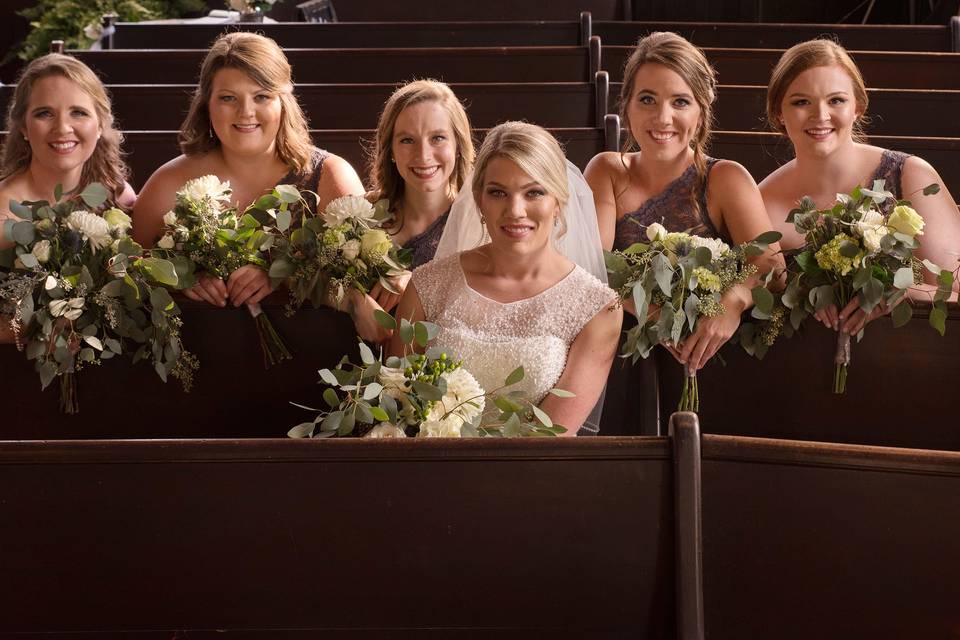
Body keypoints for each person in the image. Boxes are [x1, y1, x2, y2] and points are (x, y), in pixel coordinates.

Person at [390, 121, 622, 435]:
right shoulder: (428, 285)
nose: (515, 210)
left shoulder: (598, 308)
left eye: (534, 193)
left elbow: (551, 436)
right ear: (479, 200)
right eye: (498, 193)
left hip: (533, 474)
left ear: (558, 202)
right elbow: (396, 409)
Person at [584, 31, 783, 373]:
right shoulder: (606, 171)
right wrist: (652, 310)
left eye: (680, 102)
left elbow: (773, 271)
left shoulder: (725, 179)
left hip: (713, 361)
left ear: (701, 113)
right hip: (619, 360)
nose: (663, 118)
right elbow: (593, 269)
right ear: (626, 106)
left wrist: (733, 301)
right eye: (647, 99)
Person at [132, 32, 364, 310]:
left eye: (262, 96)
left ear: (283, 102)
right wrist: (178, 279)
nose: (245, 112)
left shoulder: (329, 176)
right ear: (207, 103)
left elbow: (363, 278)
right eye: (228, 98)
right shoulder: (169, 183)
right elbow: (130, 271)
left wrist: (284, 275)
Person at [760, 38, 960, 335]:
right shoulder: (759, 201)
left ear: (858, 107)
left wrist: (901, 291)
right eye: (801, 102)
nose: (821, 115)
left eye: (836, 100)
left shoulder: (911, 176)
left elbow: (954, 292)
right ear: (779, 112)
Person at [0, 53, 135, 344]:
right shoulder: (4, 213)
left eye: (78, 112)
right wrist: (36, 330)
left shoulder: (119, 196)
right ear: (23, 126)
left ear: (100, 125)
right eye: (44, 113)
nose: (62, 127)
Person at [353, 80, 475, 342]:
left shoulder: (478, 223)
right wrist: (354, 301)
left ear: (458, 144)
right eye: (407, 140)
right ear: (391, 150)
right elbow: (308, 276)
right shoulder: (360, 214)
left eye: (438, 138)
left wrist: (419, 289)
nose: (423, 155)